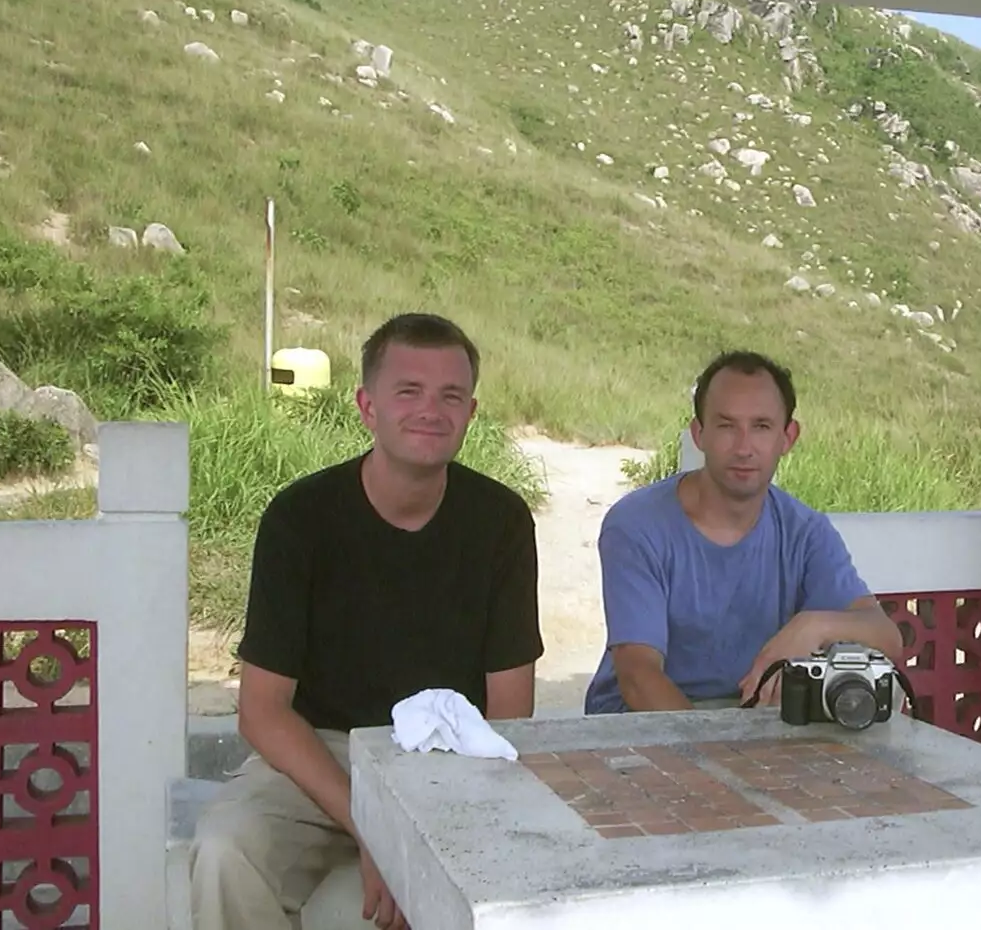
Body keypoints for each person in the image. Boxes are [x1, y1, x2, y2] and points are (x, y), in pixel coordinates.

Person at [189, 313, 543, 930]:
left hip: (450, 758)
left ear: (471, 411)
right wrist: (375, 826)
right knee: (227, 850)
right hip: (321, 756)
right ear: (367, 405)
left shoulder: (502, 522)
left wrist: (424, 835)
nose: (431, 410)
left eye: (450, 396)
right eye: (409, 391)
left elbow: (510, 707)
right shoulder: (301, 519)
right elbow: (262, 709)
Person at [583, 350, 901, 715]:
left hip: (756, 726)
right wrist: (714, 758)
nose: (744, 448)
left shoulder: (805, 530)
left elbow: (886, 637)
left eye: (762, 427)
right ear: (698, 434)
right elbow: (638, 675)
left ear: (788, 437)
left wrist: (813, 626)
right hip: (643, 728)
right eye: (726, 426)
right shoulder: (638, 524)